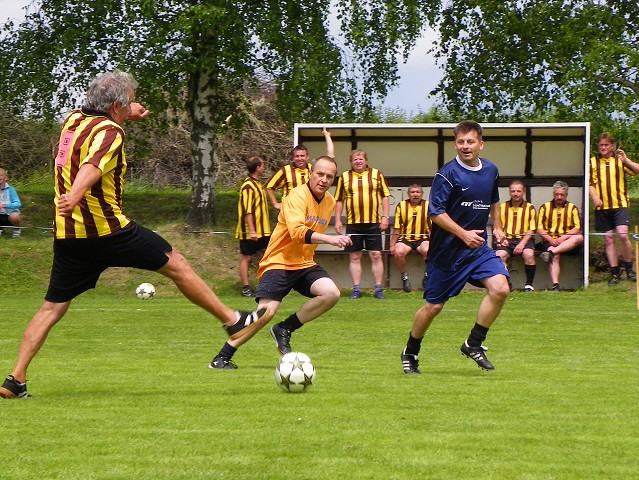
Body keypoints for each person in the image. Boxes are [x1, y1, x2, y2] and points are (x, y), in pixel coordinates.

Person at [0, 71, 265, 399]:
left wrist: (129, 112)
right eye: (129, 100)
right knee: (176, 263)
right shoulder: (112, 132)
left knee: (51, 308)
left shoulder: (72, 120)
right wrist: (77, 192)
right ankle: (233, 320)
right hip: (109, 231)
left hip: (70, 236)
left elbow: (92, 142)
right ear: (114, 106)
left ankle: (16, 379)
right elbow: (92, 167)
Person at [209, 156, 352, 369]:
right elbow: (297, 233)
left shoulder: (329, 201)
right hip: (279, 261)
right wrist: (330, 239)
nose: (323, 179)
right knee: (265, 313)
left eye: (329, 176)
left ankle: (284, 329)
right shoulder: (295, 196)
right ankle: (222, 357)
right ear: (311, 173)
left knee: (331, 293)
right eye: (320, 174)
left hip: (304, 263)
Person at [400, 120, 510, 375]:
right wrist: (463, 234)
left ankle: (474, 343)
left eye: (470, 141)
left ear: (481, 144)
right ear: (455, 144)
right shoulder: (446, 174)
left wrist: (499, 227)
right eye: (460, 142)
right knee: (434, 307)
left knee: (501, 288)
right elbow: (435, 213)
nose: (465, 146)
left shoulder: (491, 170)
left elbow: (494, 200)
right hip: (447, 254)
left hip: (478, 250)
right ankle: (410, 351)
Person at [334, 149, 391, 299]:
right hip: (353, 223)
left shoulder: (376, 174)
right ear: (351, 162)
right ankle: (356, 289)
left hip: (373, 223)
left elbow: (385, 196)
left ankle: (378, 289)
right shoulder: (345, 177)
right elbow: (339, 199)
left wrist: (385, 217)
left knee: (376, 255)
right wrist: (338, 219)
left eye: (360, 159)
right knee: (354, 256)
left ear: (366, 161)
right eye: (355, 159)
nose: (358, 161)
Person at [589, 133, 639, 286]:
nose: (603, 148)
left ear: (612, 146)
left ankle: (629, 268)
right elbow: (591, 183)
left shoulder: (619, 160)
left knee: (623, 236)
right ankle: (614, 272)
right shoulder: (593, 162)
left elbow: (637, 170)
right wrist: (595, 197)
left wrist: (626, 160)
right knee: (609, 238)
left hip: (620, 205)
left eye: (606, 145)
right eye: (601, 145)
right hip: (602, 207)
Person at [265, 127, 334, 210]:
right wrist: (276, 204)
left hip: (309, 210)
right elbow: (269, 186)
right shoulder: (285, 170)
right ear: (293, 158)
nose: (299, 158)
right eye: (297, 156)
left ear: (307, 157)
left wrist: (327, 136)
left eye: (302, 156)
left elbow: (330, 157)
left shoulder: (312, 168)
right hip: (290, 211)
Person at [537, 181, 584, 291]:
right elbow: (539, 228)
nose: (559, 197)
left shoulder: (572, 208)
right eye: (557, 194)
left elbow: (577, 227)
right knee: (556, 254)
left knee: (579, 237)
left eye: (562, 195)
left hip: (567, 240)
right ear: (553, 194)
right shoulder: (545, 207)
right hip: (549, 240)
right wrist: (550, 239)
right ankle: (556, 285)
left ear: (566, 195)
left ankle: (550, 253)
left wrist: (563, 238)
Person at [236, 156, 271, 297]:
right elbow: (247, 210)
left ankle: (264, 285)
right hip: (251, 231)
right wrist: (252, 230)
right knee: (247, 258)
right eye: (262, 165)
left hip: (264, 230)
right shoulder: (248, 186)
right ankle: (245, 288)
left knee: (266, 256)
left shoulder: (258, 184)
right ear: (257, 168)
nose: (264, 167)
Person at [495, 180, 537, 292]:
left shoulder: (530, 208)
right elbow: (497, 226)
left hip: (524, 239)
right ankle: (506, 284)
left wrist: (522, 244)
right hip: (506, 239)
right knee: (499, 255)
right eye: (513, 191)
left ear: (523, 192)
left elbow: (532, 229)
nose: (516, 193)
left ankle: (528, 285)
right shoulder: (502, 207)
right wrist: (501, 238)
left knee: (529, 254)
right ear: (509, 192)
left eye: (518, 191)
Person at [390, 184, 431, 292]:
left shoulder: (428, 205)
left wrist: (436, 243)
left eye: (417, 192)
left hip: (422, 238)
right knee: (398, 253)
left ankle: (428, 275)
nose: (415, 194)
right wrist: (392, 245)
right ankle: (404, 276)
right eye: (412, 192)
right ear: (408, 194)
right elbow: (397, 227)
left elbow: (432, 228)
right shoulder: (401, 206)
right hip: (405, 239)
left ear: (422, 194)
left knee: (429, 251)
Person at [0, 167, 22, 238]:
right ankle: (1, 229)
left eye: (0, 175)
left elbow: (18, 204)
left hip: (9, 214)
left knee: (15, 217)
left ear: (6, 178)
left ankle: (16, 229)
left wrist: (5, 205)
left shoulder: (11, 190)